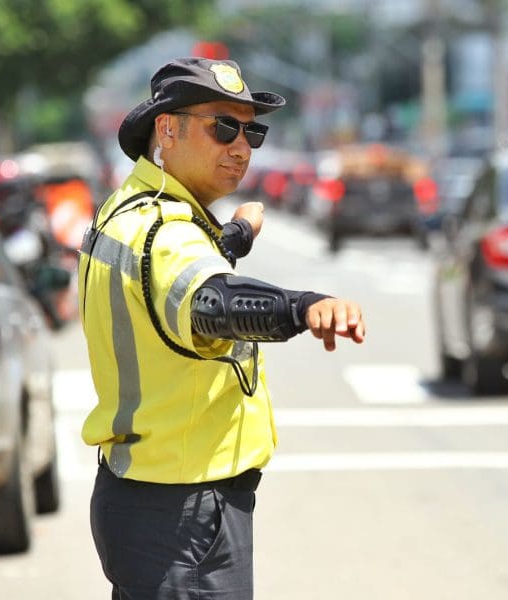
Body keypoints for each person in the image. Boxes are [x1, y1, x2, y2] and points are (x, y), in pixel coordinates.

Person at [78, 57, 366, 600]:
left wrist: (233, 235)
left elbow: (161, 281)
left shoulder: (128, 211)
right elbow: (211, 301)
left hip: (146, 498)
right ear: (167, 128)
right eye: (223, 127)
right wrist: (303, 306)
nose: (241, 147)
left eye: (251, 130)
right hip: (184, 516)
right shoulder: (166, 230)